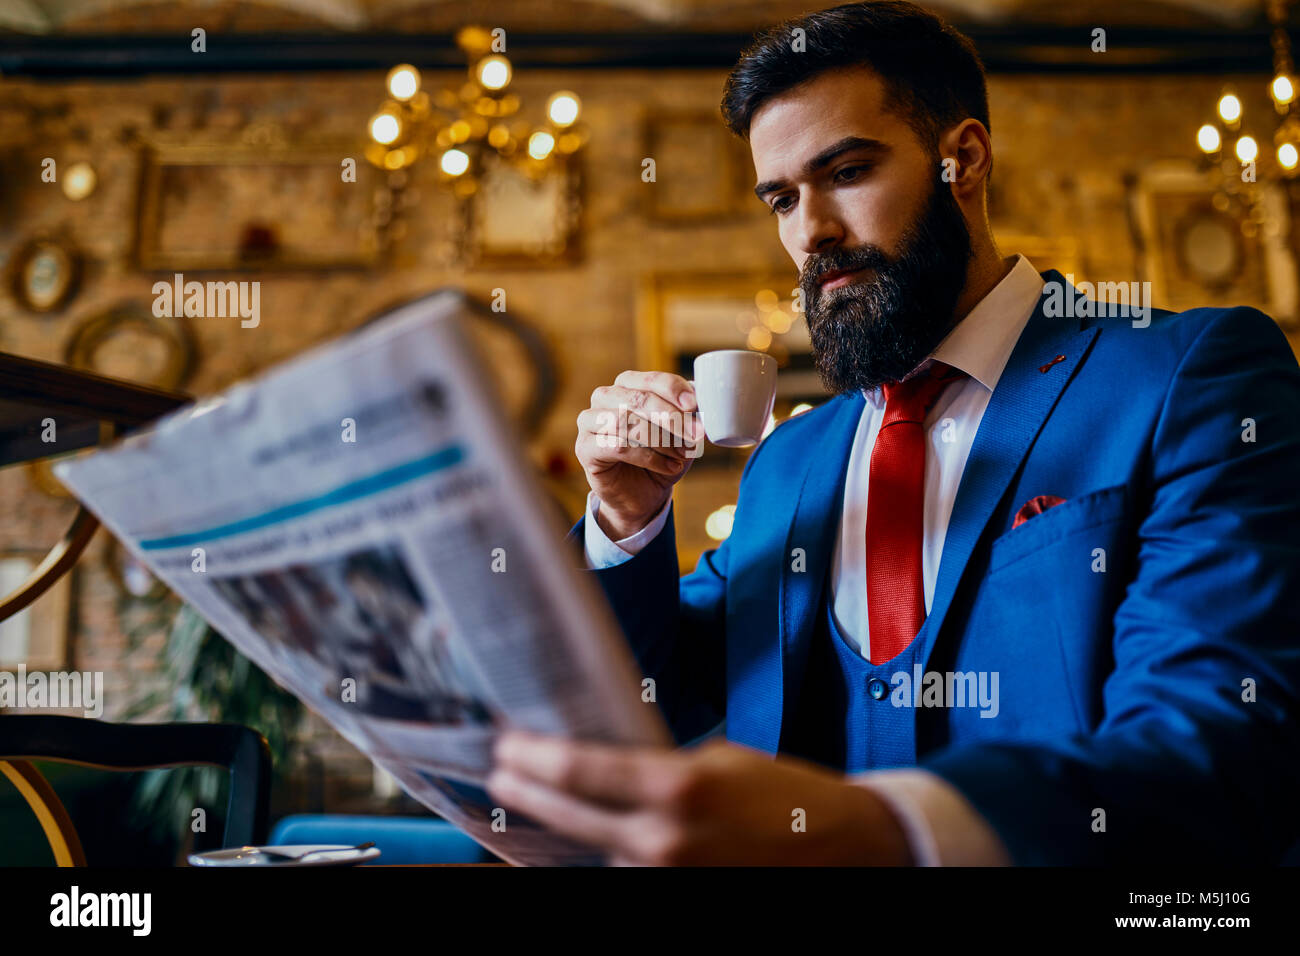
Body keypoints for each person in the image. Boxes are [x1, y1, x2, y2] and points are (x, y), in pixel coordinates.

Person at [486, 0, 1300, 865]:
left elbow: (1227, 738)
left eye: (846, 172)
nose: (812, 233)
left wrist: (894, 831)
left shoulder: (1191, 375)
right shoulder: (790, 462)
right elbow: (649, 702)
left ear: (965, 159)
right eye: (781, 198)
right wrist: (623, 519)